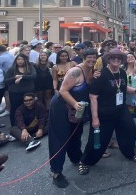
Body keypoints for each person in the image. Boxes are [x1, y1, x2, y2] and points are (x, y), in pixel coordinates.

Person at [78, 49, 136, 175]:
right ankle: (85, 161)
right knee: (98, 139)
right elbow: (93, 97)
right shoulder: (101, 75)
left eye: (119, 58)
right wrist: (95, 118)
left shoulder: (121, 72)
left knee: (129, 129)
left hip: (121, 109)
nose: (116, 60)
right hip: (105, 112)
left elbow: (124, 88)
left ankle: (129, 153)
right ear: (108, 59)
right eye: (113, 57)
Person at [48, 49, 99, 188]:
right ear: (83, 57)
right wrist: (75, 104)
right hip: (61, 106)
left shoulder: (92, 70)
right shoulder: (75, 71)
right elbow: (63, 90)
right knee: (60, 138)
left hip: (77, 109)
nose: (92, 60)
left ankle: (76, 158)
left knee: (76, 134)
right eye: (89, 58)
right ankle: (56, 172)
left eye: (94, 58)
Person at [4, 54, 37, 127]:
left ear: (25, 60)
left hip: (28, 92)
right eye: (18, 59)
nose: (20, 61)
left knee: (29, 108)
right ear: (16, 60)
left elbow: (33, 76)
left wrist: (22, 77)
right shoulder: (12, 69)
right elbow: (6, 81)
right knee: (15, 109)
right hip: (15, 93)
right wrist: (15, 78)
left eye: (22, 59)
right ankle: (14, 125)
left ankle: (29, 125)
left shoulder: (30, 68)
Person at [0, 45, 14, 118]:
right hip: (12, 76)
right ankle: (7, 107)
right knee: (8, 94)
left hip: (6, 77)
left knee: (6, 94)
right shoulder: (11, 55)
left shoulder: (0, 58)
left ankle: (8, 109)